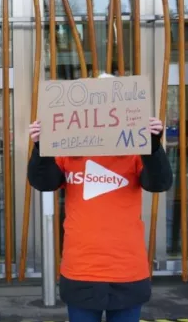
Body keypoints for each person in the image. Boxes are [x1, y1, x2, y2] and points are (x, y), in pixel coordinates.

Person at [26, 80, 173, 321]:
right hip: (81, 269)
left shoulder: (135, 149)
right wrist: (42, 146)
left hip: (127, 270)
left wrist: (153, 146)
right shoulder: (68, 147)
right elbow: (44, 182)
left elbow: (159, 183)